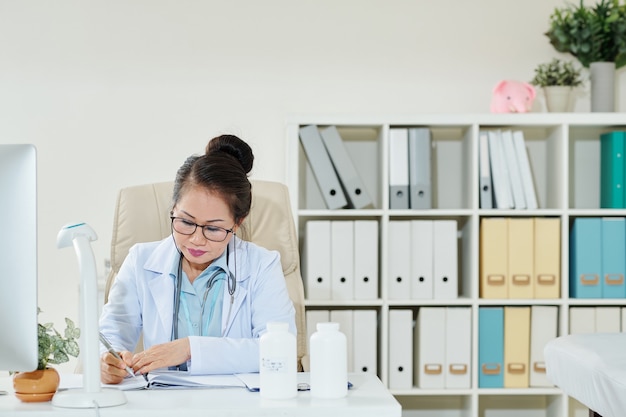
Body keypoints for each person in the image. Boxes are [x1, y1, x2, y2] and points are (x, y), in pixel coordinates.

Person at [99, 134, 296, 384]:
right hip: (163, 402)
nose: (196, 240)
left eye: (213, 229)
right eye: (185, 222)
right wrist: (108, 360)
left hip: (237, 403)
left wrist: (190, 349)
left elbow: (280, 350)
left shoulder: (261, 265)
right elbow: (111, 332)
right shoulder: (141, 260)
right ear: (173, 209)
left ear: (237, 223)